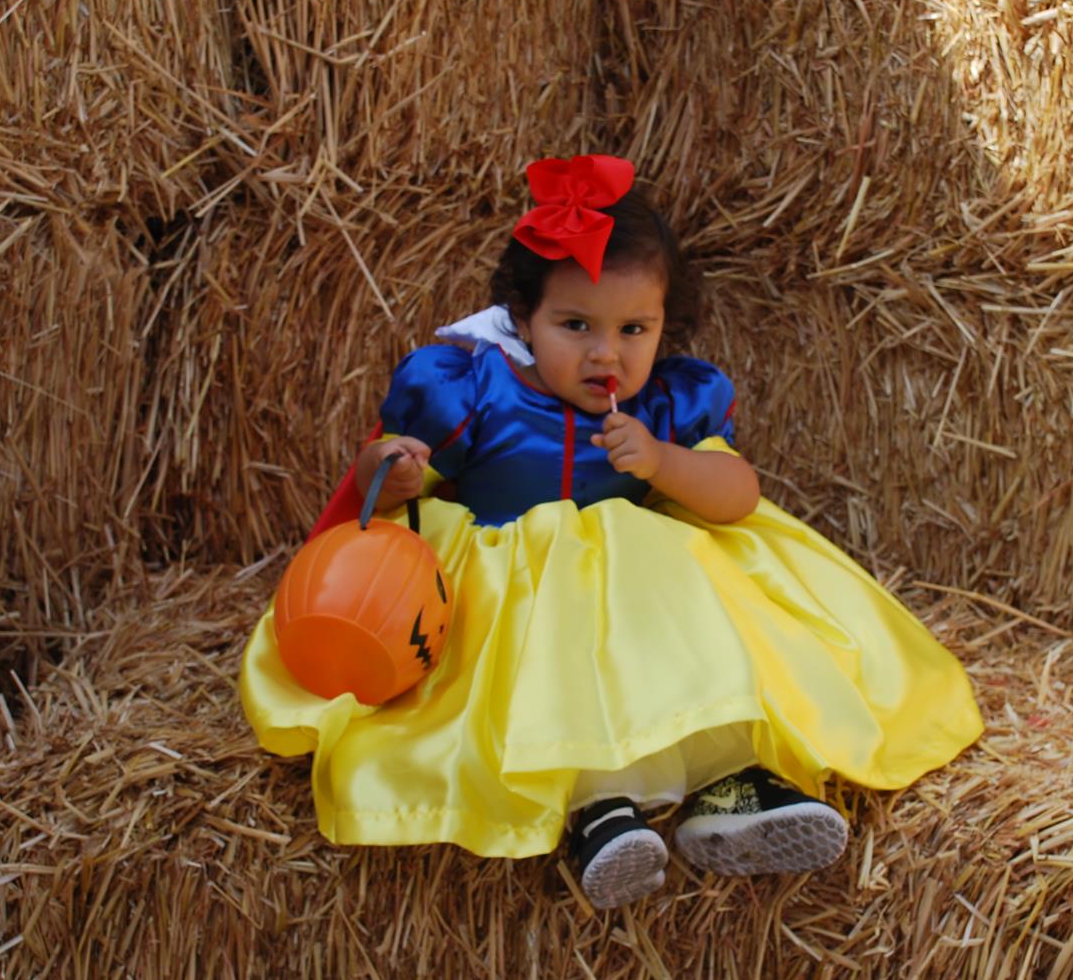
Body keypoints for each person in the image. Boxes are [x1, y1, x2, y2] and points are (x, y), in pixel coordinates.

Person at [239, 155, 982, 909]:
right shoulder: (475, 391)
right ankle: (600, 810)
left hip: (636, 598)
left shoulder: (665, 405)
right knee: (553, 676)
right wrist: (392, 467)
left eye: (634, 328)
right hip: (515, 589)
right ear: (522, 320)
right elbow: (387, 473)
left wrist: (662, 462)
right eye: (575, 326)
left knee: (694, 601)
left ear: (665, 324)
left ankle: (729, 785)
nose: (606, 352)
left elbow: (737, 496)